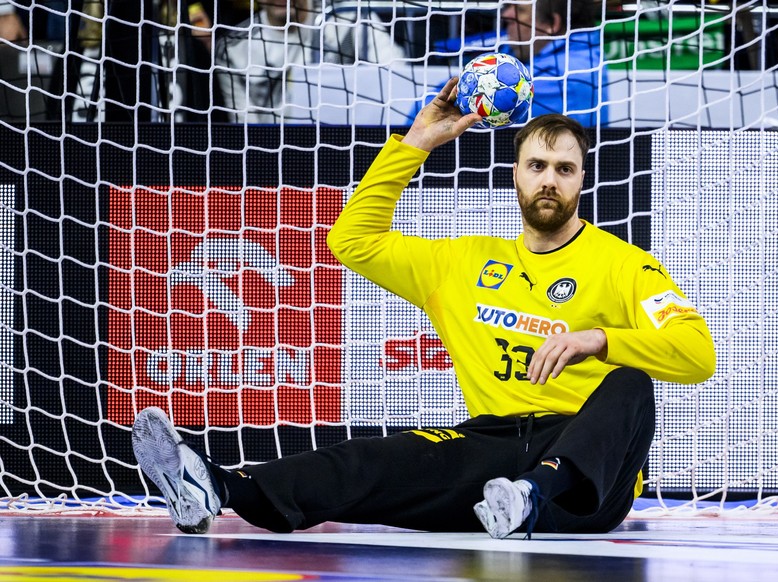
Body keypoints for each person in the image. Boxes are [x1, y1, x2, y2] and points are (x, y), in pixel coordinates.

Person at [131, 77, 716, 538]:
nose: (549, 181)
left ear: (582, 180)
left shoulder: (625, 266)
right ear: (514, 173)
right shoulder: (466, 263)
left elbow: (698, 354)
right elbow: (351, 242)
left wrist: (599, 340)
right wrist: (414, 145)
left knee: (631, 384)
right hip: (492, 456)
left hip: (590, 483)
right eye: (537, 166)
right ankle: (216, 491)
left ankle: (534, 493)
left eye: (564, 169)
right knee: (373, 460)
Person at [412, 0, 607, 127]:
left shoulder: (575, 71)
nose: (506, 15)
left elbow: (460, 95)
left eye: (519, 9)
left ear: (552, 24)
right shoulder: (529, 53)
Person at [214, 0, 405, 123]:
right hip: (275, 155)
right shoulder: (232, 48)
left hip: (351, 142)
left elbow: (398, 78)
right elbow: (245, 125)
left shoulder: (352, 19)